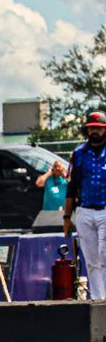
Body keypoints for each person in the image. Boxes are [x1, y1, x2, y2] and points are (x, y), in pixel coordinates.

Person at [66, 111, 106, 298]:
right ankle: (98, 300)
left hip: (105, 210)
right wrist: (67, 217)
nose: (95, 132)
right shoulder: (79, 154)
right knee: (91, 260)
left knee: (105, 255)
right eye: (91, 129)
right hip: (85, 210)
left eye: (98, 128)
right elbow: (72, 187)